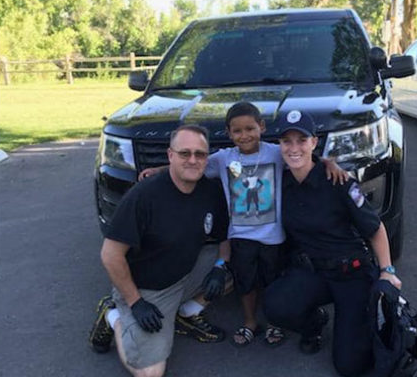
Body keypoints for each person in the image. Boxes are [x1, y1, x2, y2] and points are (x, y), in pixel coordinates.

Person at [140, 102, 349, 348]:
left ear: (262, 127)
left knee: (273, 282)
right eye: (237, 131)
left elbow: (305, 158)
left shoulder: (275, 153)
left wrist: (330, 163)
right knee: (245, 283)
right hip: (240, 235)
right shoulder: (224, 159)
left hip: (273, 236)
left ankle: (273, 323)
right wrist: (159, 170)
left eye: (250, 129)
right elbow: (193, 166)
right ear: (229, 133)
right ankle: (250, 322)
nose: (244, 135)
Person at [262, 110, 403, 377]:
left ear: (314, 142)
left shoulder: (339, 181)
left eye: (301, 140)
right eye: (286, 141)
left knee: (350, 366)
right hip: (314, 272)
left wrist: (388, 271)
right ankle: (315, 323)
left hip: (351, 273)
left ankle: (358, 317)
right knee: (275, 306)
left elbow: (375, 228)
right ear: (279, 145)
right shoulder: (279, 182)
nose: (294, 148)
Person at [88, 125, 231, 377]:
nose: (193, 160)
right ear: (170, 155)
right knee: (149, 373)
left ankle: (187, 313)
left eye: (200, 154)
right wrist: (136, 302)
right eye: (184, 153)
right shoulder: (144, 196)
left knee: (243, 260)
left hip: (185, 272)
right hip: (148, 291)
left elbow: (223, 238)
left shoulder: (210, 191)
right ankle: (113, 316)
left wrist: (220, 266)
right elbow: (110, 255)